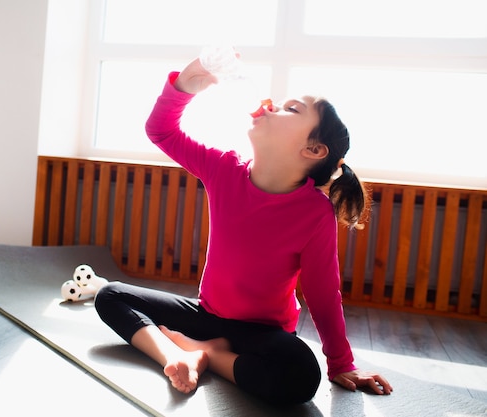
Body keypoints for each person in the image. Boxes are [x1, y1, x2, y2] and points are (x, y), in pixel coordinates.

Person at [95, 57, 393, 406]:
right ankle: (176, 355)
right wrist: (182, 88)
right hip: (204, 317)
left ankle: (207, 354)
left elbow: (323, 293)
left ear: (313, 150)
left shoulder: (315, 213)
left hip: (262, 335)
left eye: (290, 109)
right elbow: (161, 131)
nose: (271, 105)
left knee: (302, 374)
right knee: (110, 295)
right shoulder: (223, 168)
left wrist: (341, 363)